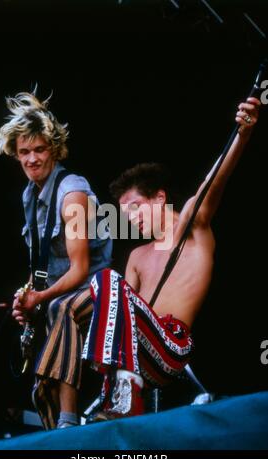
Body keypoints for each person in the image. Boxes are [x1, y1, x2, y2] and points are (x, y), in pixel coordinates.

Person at [81, 97, 261, 421]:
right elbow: (122, 308)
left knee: (107, 281)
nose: (131, 218)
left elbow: (214, 180)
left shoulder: (191, 228)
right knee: (102, 284)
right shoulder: (137, 255)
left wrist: (242, 133)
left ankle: (118, 388)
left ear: (160, 197)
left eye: (135, 207)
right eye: (125, 214)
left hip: (172, 347)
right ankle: (117, 392)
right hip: (136, 355)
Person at [0, 92, 112, 429]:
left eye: (39, 149)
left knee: (59, 308)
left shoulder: (72, 190)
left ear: (55, 149)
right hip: (60, 296)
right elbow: (43, 265)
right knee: (40, 385)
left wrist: (42, 298)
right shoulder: (29, 195)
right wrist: (27, 297)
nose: (31, 159)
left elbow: (79, 270)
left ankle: (68, 420)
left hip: (98, 290)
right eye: (24, 152)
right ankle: (55, 429)